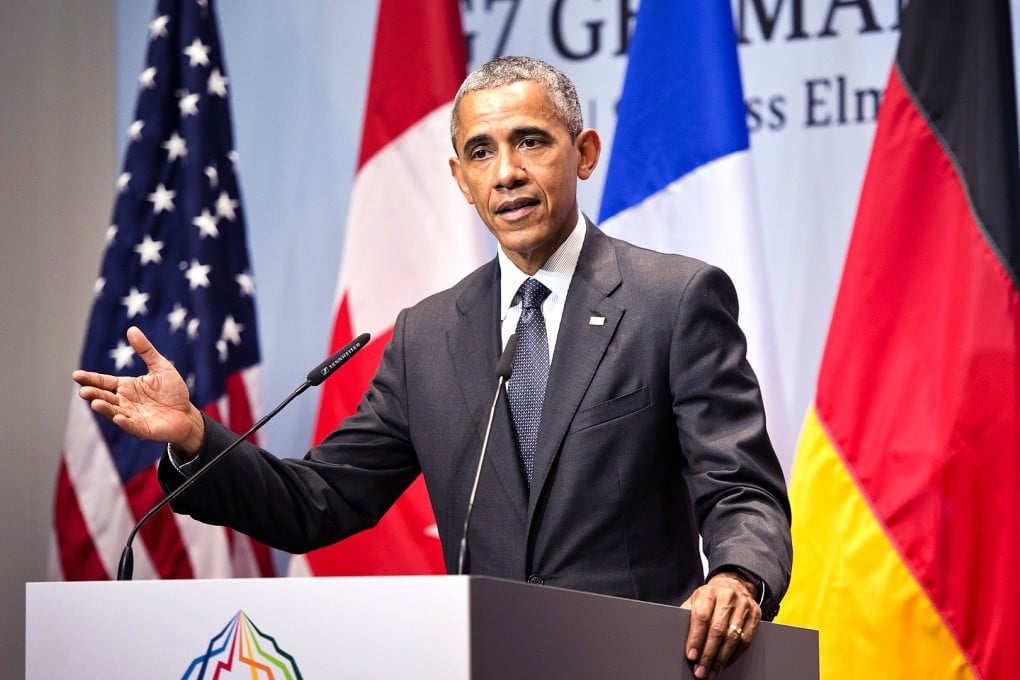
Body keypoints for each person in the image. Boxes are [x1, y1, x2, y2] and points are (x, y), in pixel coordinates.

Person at [74, 56, 791, 679]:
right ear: (458, 178)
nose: (505, 172)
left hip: (639, 665)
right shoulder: (429, 335)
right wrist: (196, 435)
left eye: (530, 142)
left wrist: (738, 575)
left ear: (584, 152)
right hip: (485, 663)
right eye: (480, 153)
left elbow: (742, 487)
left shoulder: (673, 299)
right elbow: (318, 501)